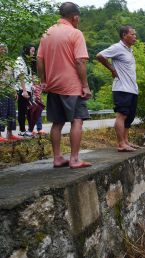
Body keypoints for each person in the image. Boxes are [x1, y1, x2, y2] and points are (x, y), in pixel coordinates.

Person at [37, 2, 92, 168]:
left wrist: (43, 81)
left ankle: (58, 158)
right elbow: (80, 61)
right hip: (72, 86)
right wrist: (85, 85)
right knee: (77, 120)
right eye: (79, 18)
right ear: (75, 17)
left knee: (57, 122)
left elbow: (39, 60)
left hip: (53, 86)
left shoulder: (47, 33)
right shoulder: (75, 33)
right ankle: (74, 159)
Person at [96, 25, 139, 152]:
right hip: (122, 88)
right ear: (125, 35)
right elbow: (100, 55)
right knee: (122, 115)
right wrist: (112, 69)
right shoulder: (117, 47)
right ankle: (121, 143)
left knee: (129, 117)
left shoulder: (129, 50)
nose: (135, 37)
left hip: (132, 89)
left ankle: (126, 141)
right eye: (133, 34)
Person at [0, 43, 23, 142]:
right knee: (1, 112)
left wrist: (15, 91)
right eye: (1, 49)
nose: (3, 51)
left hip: (9, 89)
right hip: (1, 90)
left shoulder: (9, 63)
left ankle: (10, 134)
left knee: (11, 112)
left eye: (5, 49)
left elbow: (12, 78)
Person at [14, 44, 35, 137]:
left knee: (28, 111)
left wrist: (32, 87)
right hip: (22, 89)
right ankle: (22, 130)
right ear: (27, 50)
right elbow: (21, 76)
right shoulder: (19, 60)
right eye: (32, 51)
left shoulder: (27, 61)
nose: (33, 53)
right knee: (22, 110)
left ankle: (26, 130)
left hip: (28, 88)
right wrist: (24, 90)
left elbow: (28, 76)